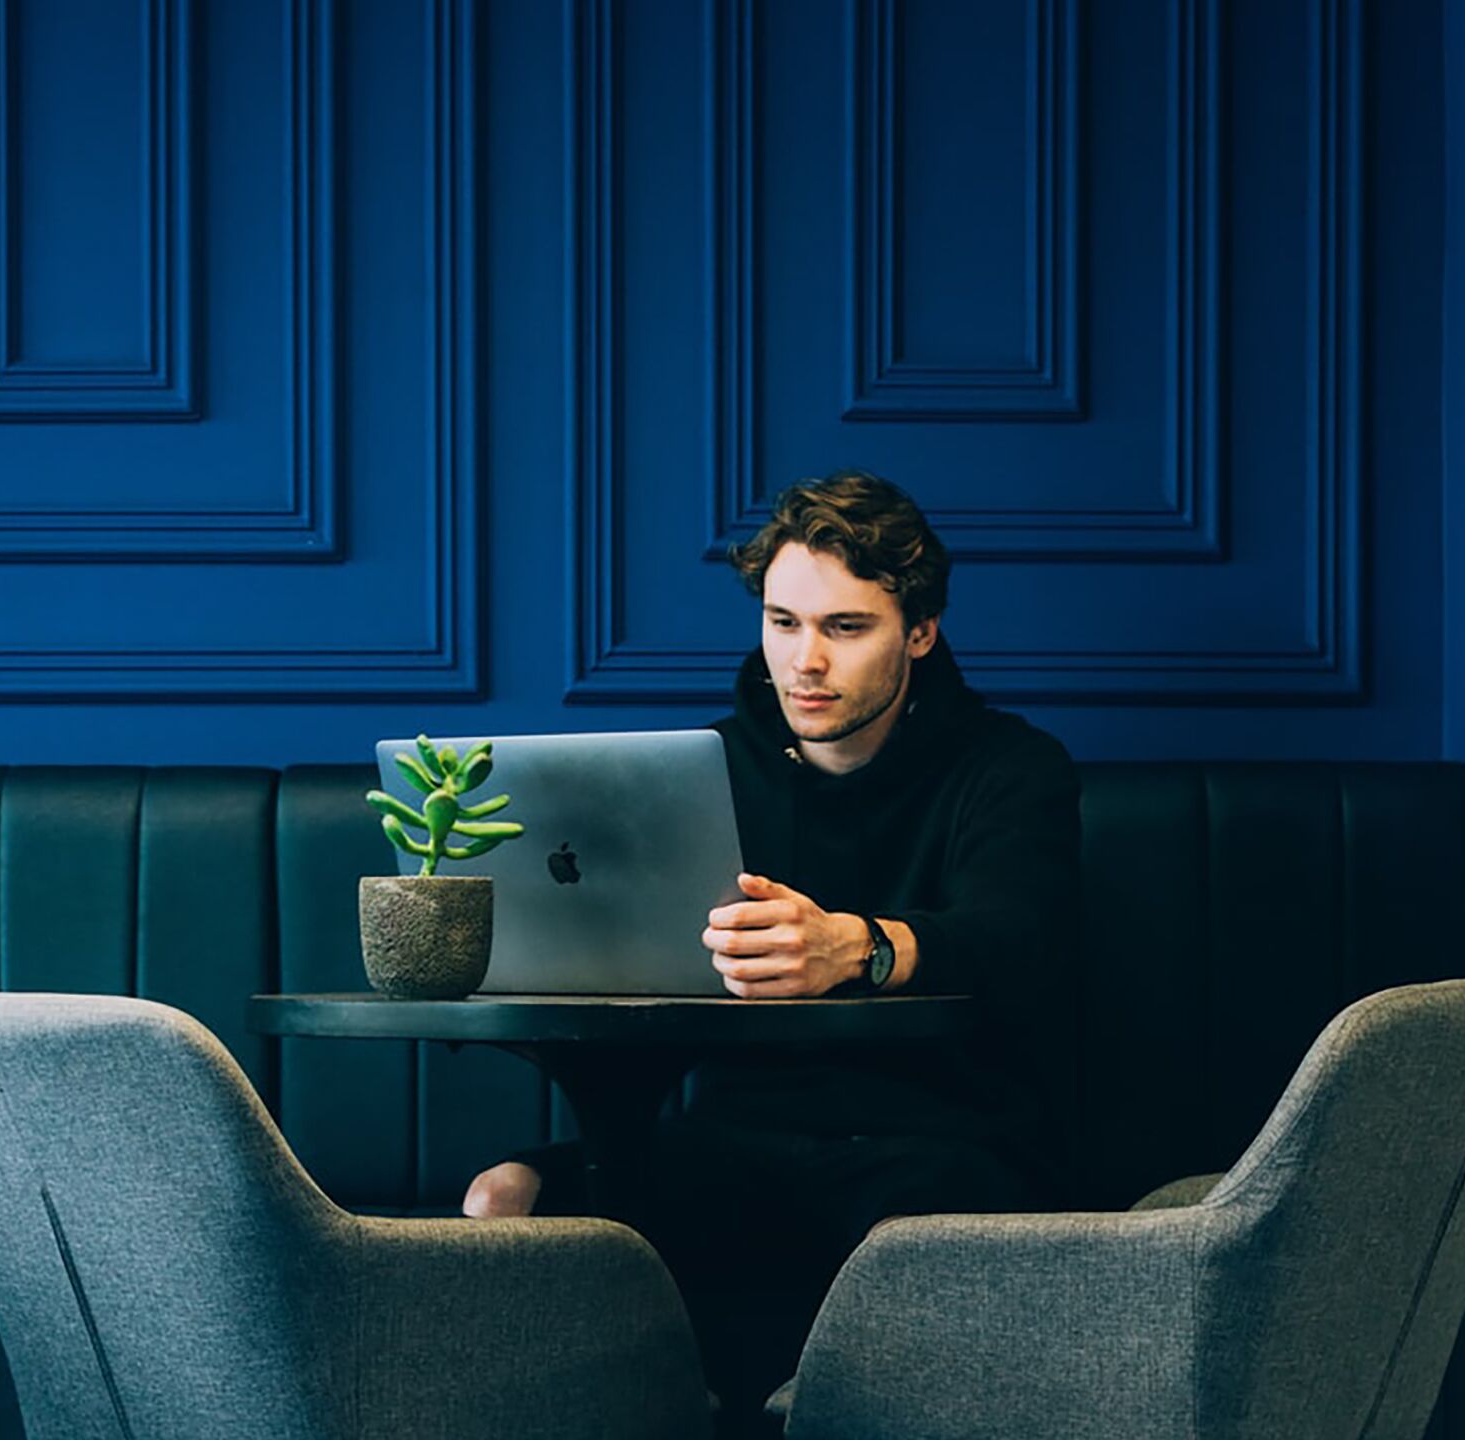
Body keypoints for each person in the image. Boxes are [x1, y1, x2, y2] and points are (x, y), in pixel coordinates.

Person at [463, 471, 1080, 1434]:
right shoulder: (706, 772)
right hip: (738, 1140)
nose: (805, 663)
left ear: (919, 631)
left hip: (936, 1143)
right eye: (783, 621)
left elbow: (1017, 940)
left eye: (845, 628)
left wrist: (859, 947)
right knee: (505, 1196)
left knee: (923, 1220)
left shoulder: (1009, 768)